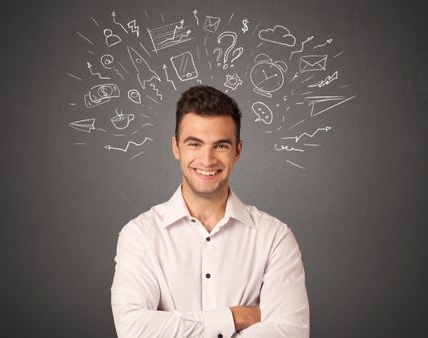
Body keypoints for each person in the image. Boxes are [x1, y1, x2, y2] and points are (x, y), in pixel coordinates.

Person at [111, 86, 309, 337]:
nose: (207, 160)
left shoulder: (274, 238)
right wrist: (235, 317)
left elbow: (290, 333)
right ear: (176, 147)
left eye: (221, 146)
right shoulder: (139, 235)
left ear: (237, 151)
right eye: (194, 144)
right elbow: (134, 330)